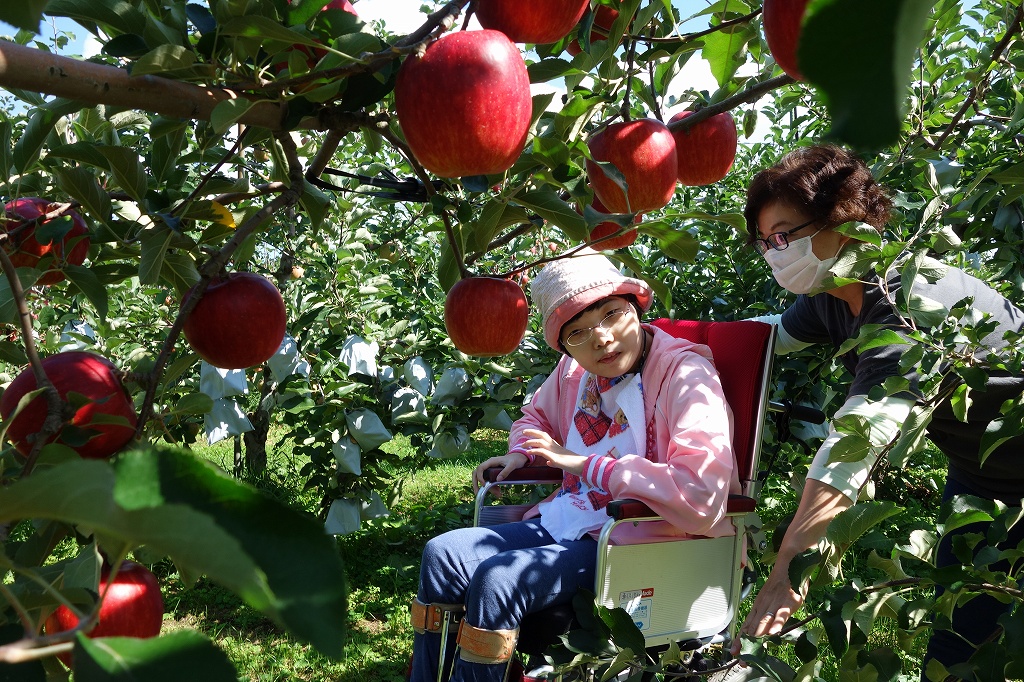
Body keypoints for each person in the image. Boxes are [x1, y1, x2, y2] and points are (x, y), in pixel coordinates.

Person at [731, 144, 1024, 678]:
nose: (774, 253)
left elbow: (851, 451)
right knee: (961, 641)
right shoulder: (833, 289)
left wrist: (784, 576)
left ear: (841, 220)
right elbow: (770, 338)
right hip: (983, 480)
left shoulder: (909, 303)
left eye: (783, 234)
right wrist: (656, 341)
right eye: (764, 241)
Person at [409, 248, 738, 682]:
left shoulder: (686, 376)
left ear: (636, 307)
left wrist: (587, 465)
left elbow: (701, 493)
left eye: (611, 314)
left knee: (498, 578)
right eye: (577, 333)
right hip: (574, 519)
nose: (600, 338)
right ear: (563, 346)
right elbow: (535, 416)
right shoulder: (573, 373)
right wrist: (522, 450)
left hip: (644, 536)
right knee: (443, 554)